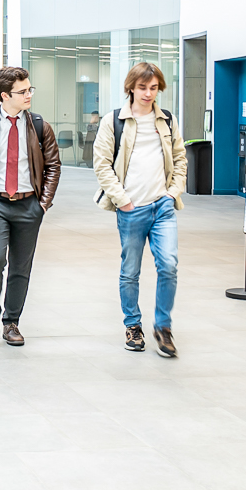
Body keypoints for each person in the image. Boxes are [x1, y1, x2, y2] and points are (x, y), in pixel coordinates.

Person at [92, 62, 183, 359]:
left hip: (162, 207)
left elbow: (180, 159)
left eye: (154, 88)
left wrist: (172, 193)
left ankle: (163, 327)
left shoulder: (167, 120)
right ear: (131, 87)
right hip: (131, 210)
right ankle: (133, 325)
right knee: (130, 271)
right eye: (142, 87)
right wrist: (123, 200)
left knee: (168, 265)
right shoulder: (113, 121)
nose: (148, 93)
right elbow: (102, 165)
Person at [0, 67, 59, 348]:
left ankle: (11, 322)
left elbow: (53, 165)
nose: (29, 95)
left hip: (29, 205)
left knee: (21, 267)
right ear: (5, 95)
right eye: (23, 91)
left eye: (30, 89)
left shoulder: (40, 126)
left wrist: (43, 204)